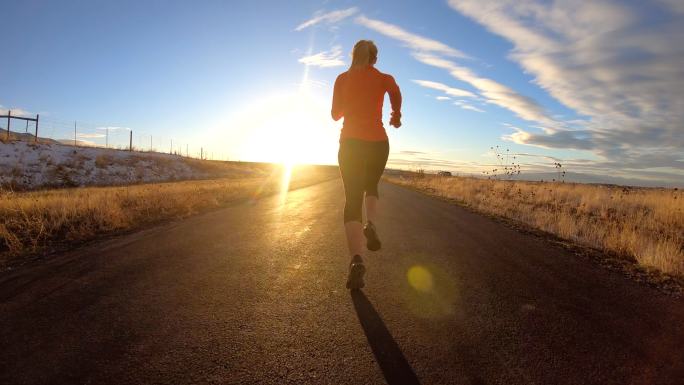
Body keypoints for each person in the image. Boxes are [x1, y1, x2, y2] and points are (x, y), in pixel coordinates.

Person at [331, 40, 402, 290]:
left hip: (350, 143)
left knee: (352, 199)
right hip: (378, 142)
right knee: (371, 185)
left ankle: (356, 259)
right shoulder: (384, 78)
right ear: (375, 58)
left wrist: (351, 102)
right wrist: (396, 114)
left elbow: (335, 114)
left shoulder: (342, 79)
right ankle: (370, 223)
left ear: (354, 56)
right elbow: (396, 93)